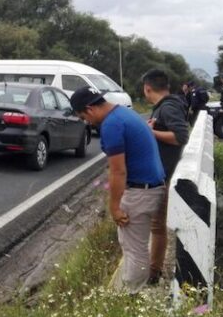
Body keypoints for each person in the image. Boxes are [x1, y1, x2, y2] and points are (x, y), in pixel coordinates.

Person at [71, 86, 165, 293]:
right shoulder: (123, 113)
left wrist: (114, 207)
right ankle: (140, 285)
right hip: (152, 186)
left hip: (141, 191)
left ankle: (131, 296)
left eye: (83, 117)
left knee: (134, 249)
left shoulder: (111, 125)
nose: (87, 122)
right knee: (133, 243)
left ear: (90, 109)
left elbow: (118, 171)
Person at [141, 69, 190, 285]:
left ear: (147, 88)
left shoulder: (168, 107)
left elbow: (180, 136)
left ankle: (153, 272)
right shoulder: (166, 106)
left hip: (164, 175)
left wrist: (151, 133)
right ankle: (153, 269)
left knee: (157, 226)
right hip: (161, 172)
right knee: (155, 224)